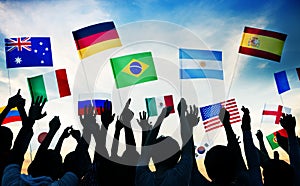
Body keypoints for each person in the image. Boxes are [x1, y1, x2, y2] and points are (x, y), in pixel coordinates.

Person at [135, 98, 195, 186]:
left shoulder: (143, 178)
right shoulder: (180, 175)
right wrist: (182, 114)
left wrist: (161, 117)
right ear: (177, 155)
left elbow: (146, 149)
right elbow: (187, 144)